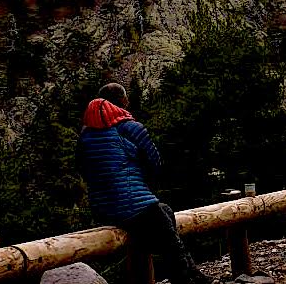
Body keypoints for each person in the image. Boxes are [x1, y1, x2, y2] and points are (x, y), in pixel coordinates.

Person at [76, 82, 211, 284]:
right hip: (133, 207)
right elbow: (154, 163)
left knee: (164, 211)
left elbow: (82, 169)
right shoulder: (130, 128)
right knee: (172, 244)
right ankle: (188, 279)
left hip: (102, 210)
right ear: (122, 102)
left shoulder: (85, 136)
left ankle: (192, 275)